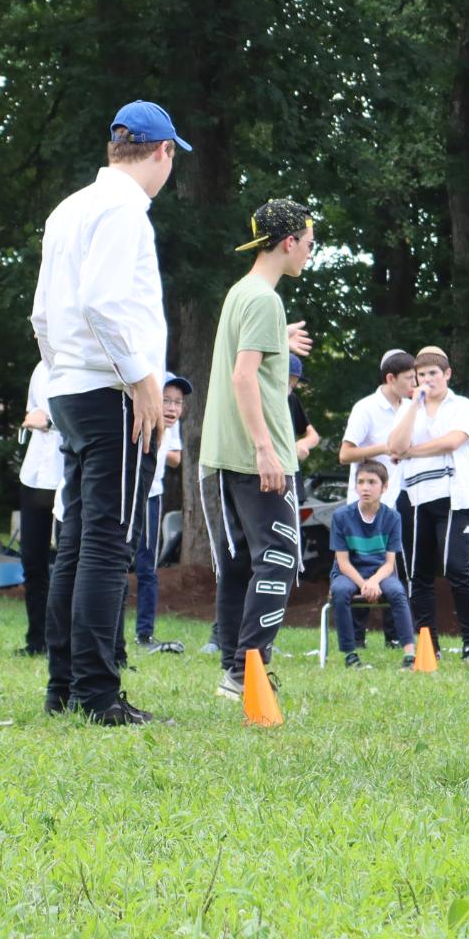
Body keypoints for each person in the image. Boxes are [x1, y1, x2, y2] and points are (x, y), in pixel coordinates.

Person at [32, 99, 184, 727]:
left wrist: (62, 372)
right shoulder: (125, 210)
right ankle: (98, 695)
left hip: (70, 387)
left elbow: (43, 313)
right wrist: (143, 380)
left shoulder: (69, 208)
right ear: (163, 152)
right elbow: (101, 302)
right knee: (106, 542)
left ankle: (65, 687)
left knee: (76, 541)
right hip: (111, 392)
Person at [200, 198, 317, 700]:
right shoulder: (265, 300)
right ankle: (249, 668)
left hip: (223, 452)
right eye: (308, 244)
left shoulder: (242, 292)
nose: (309, 253)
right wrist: (266, 449)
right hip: (255, 455)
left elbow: (241, 354)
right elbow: (243, 376)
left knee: (241, 564)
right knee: (280, 557)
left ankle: (234, 671)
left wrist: (279, 337)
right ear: (288, 242)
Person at [387, 347, 469, 662]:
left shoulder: (463, 406)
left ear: (447, 375)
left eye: (433, 373)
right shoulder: (408, 407)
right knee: (419, 574)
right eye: (421, 375)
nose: (427, 380)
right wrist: (413, 407)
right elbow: (395, 446)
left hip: (454, 497)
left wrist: (413, 452)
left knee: (458, 568)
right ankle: (429, 644)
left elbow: (453, 441)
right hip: (416, 498)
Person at [340, 349, 417, 646]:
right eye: (409, 378)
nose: (414, 384)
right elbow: (345, 454)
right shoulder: (366, 408)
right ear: (390, 378)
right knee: (361, 564)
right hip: (364, 503)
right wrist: (385, 447)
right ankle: (357, 637)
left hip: (399, 499)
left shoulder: (411, 407)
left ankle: (395, 637)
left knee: (395, 566)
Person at [328, 464, 413, 668]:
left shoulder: (393, 517)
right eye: (361, 482)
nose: (365, 487)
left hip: (381, 573)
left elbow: (390, 563)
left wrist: (374, 580)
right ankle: (350, 654)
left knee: (398, 591)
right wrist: (364, 584)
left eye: (372, 482)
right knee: (340, 591)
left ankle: (410, 655)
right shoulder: (340, 516)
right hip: (348, 573)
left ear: (384, 487)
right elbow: (343, 562)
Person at [132, 373, 188, 655]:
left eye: (178, 402)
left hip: (152, 495)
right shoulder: (138, 416)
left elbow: (176, 458)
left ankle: (144, 634)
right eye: (166, 400)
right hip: (128, 493)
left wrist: (162, 440)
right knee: (116, 563)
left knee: (147, 567)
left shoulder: (171, 426)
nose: (173, 408)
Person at [13, 360, 61, 656]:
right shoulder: (40, 369)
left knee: (71, 561)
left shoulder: (79, 361)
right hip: (34, 474)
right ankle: (37, 640)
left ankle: (66, 641)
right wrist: (35, 420)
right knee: (32, 560)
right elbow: (32, 414)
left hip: (67, 473)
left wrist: (50, 422)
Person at [288, 356, 321, 464]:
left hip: (288, 468)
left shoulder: (291, 399)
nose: (289, 388)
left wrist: (304, 443)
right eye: (287, 382)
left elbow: (313, 435)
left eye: (293, 385)